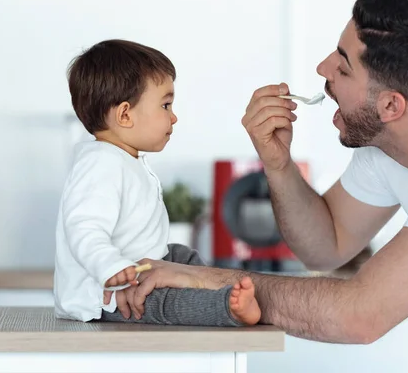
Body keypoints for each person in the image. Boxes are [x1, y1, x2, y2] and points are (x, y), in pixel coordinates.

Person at [116, 0, 408, 371]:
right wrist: (278, 165)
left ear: (391, 105)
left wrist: (203, 280)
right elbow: (326, 245)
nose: (323, 70)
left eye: (342, 65)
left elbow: (361, 316)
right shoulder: (401, 135)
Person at [53, 39, 260, 327]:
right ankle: (226, 308)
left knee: (183, 257)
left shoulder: (124, 158)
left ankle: (219, 290)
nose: (173, 116)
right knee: (164, 303)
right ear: (125, 114)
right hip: (108, 293)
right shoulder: (100, 164)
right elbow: (83, 228)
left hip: (145, 264)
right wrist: (112, 268)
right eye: (165, 104)